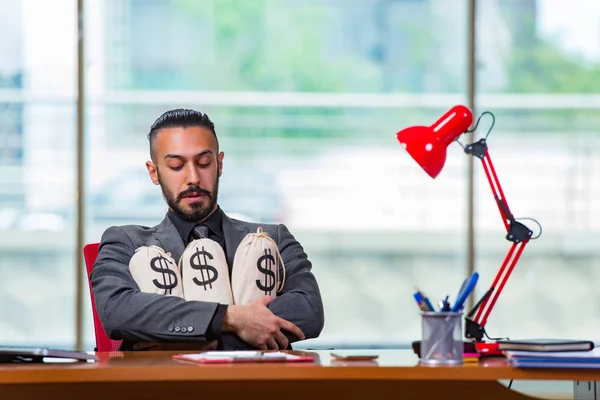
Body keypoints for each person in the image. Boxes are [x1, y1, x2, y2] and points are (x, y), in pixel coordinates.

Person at [90, 109, 324, 351]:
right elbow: (117, 311)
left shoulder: (273, 238)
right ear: (154, 172)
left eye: (203, 163)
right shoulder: (126, 243)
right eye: (176, 165)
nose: (193, 178)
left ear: (219, 164)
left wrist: (174, 336)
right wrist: (233, 319)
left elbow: (308, 310)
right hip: (163, 386)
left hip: (257, 384)